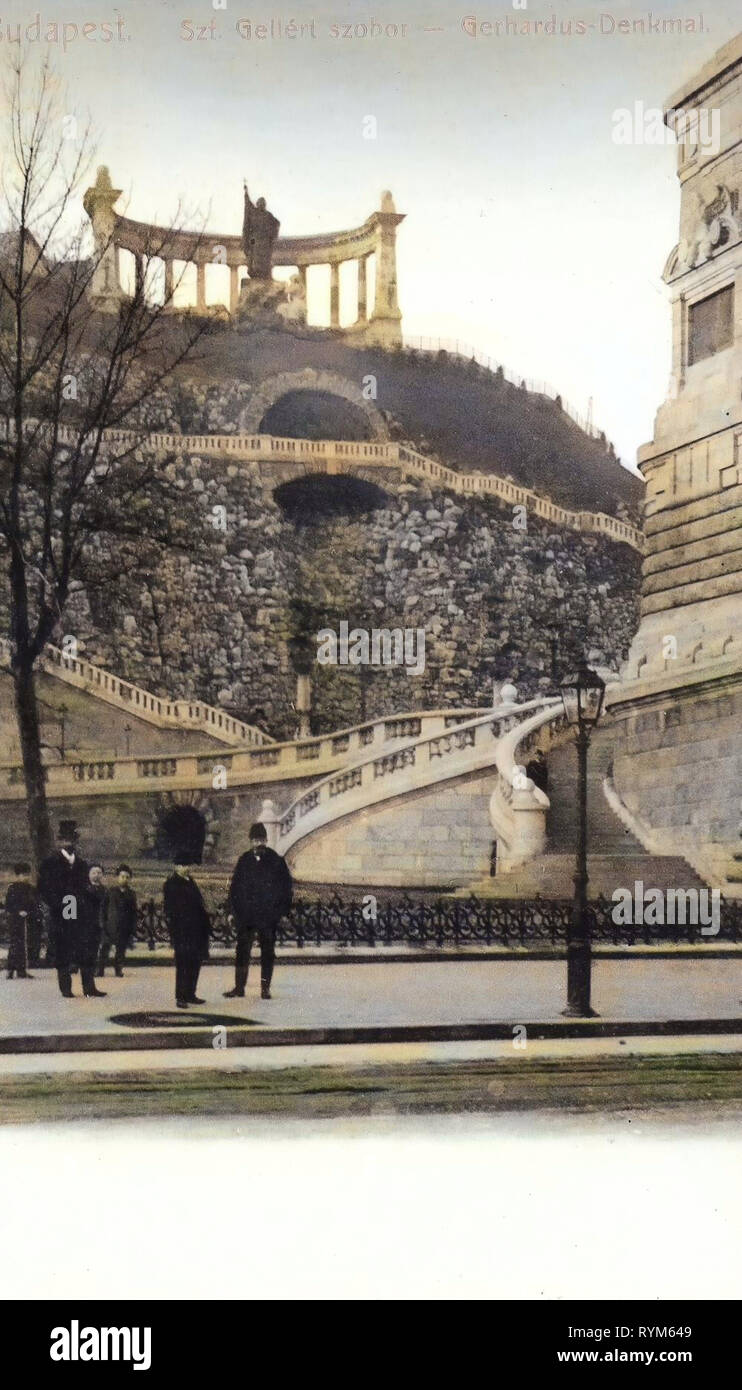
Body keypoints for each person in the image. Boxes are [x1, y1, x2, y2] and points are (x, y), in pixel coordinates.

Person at [224, 823, 293, 1001]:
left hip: (267, 918)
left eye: (261, 840)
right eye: (255, 840)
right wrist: (231, 910)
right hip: (245, 916)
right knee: (242, 952)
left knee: (268, 953)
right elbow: (234, 888)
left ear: (266, 840)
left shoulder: (276, 861)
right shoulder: (244, 860)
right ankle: (239, 988)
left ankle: (265, 988)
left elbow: (286, 889)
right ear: (250, 842)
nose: (258, 844)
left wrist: (282, 912)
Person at [38, 820, 90, 999]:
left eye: (72, 840)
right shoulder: (50, 863)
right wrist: (58, 904)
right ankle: (65, 987)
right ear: (59, 842)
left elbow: (85, 887)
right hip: (59, 914)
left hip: (78, 913)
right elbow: (43, 889)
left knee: (81, 947)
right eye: (65, 840)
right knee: (62, 948)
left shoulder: (82, 865)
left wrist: (80, 903)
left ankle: (88, 987)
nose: (69, 844)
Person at [163, 854, 211, 1009]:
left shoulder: (191, 881)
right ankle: (181, 996)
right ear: (176, 867)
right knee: (183, 963)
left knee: (195, 962)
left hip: (197, 929)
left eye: (188, 865)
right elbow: (170, 909)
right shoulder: (171, 883)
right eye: (183, 865)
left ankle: (191, 993)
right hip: (182, 930)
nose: (186, 868)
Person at [98, 864, 137, 977]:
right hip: (110, 925)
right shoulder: (111, 892)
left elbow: (133, 912)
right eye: (122, 876)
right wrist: (102, 922)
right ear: (117, 877)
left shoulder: (131, 894)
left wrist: (133, 927)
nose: (124, 879)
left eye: (127, 877)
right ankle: (100, 969)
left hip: (124, 926)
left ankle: (118, 969)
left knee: (121, 949)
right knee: (105, 948)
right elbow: (103, 908)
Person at [4, 862, 41, 980]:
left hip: (28, 919)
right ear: (17, 875)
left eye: (27, 874)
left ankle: (22, 970)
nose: (25, 877)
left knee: (25, 945)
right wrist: (18, 911)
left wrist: (29, 912)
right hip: (15, 919)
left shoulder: (31, 889)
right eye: (22, 875)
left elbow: (34, 904)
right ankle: (10, 969)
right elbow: (9, 905)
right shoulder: (12, 888)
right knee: (15, 944)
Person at [78, 865, 107, 998]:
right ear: (89, 874)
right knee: (86, 958)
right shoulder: (83, 889)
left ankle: (92, 987)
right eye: (94, 872)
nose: (97, 875)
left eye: (99, 872)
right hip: (84, 927)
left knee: (93, 957)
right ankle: (87, 988)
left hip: (97, 927)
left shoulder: (103, 890)